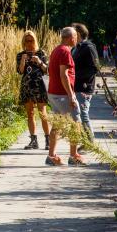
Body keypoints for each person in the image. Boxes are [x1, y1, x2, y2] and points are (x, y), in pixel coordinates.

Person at [45, 26, 87, 166]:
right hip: (62, 94)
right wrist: (71, 96)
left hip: (53, 92)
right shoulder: (65, 52)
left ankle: (51, 156)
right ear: (70, 38)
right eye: (75, 36)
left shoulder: (56, 50)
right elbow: (64, 75)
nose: (77, 39)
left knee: (57, 124)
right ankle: (74, 156)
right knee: (76, 123)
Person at [17, 31, 50, 150]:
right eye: (27, 41)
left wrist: (39, 62)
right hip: (27, 87)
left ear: (35, 40)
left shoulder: (41, 53)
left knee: (43, 113)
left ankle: (48, 140)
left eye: (31, 40)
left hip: (39, 86)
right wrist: (23, 61)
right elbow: (20, 71)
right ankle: (34, 140)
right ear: (24, 42)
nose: (29, 43)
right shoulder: (21, 55)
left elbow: (47, 70)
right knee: (30, 114)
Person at [71, 23, 100, 144]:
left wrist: (76, 75)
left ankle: (90, 142)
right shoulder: (75, 47)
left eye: (72, 33)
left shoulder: (88, 47)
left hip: (84, 86)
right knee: (77, 114)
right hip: (75, 85)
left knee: (83, 114)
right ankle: (85, 141)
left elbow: (95, 67)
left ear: (78, 33)